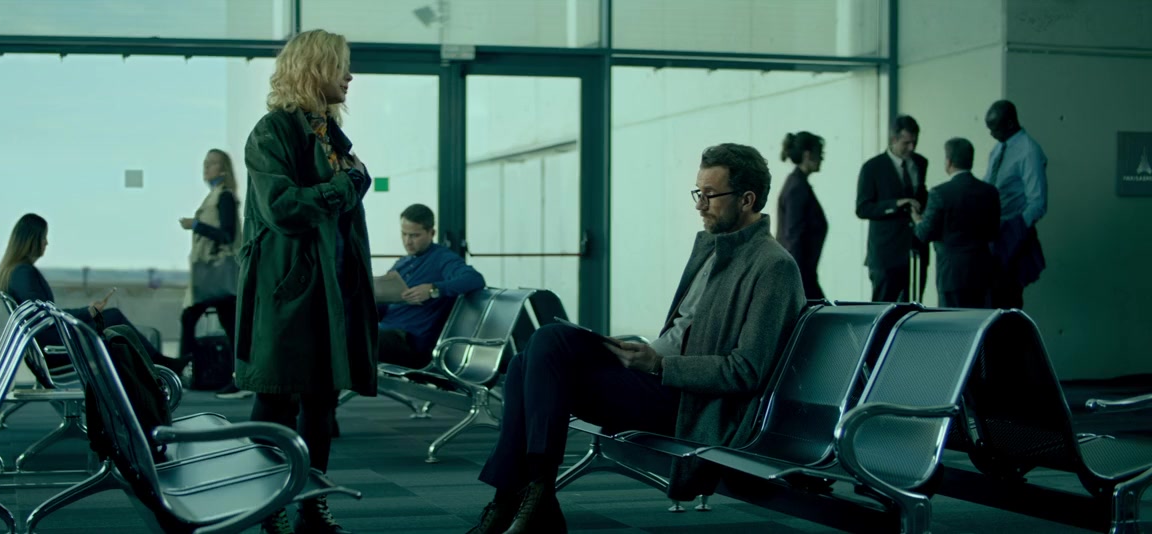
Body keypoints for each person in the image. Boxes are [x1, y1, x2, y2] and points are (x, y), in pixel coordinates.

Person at [467, 143, 806, 534]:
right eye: (698, 193)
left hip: (691, 402)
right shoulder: (713, 250)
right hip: (655, 376)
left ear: (746, 199)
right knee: (532, 355)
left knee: (544, 348)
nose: (700, 205)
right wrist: (640, 354)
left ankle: (526, 495)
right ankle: (529, 494)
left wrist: (659, 364)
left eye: (710, 195)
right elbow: (681, 333)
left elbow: (747, 371)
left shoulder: (773, 267)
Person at [234, 29, 375, 534]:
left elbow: (336, 203)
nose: (349, 76)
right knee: (276, 396)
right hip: (290, 291)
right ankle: (266, 502)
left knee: (321, 402)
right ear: (314, 69)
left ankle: (311, 503)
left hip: (334, 289)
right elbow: (282, 208)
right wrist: (346, 185)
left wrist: (351, 185)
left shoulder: (329, 134)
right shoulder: (272, 132)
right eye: (340, 65)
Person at [0, 213, 185, 373]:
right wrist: (88, 312)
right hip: (55, 348)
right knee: (113, 319)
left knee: (112, 321)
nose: (47, 243)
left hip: (50, 341)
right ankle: (160, 364)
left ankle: (156, 365)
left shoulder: (16, 272)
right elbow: (45, 316)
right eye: (43, 237)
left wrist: (88, 311)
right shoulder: (23, 273)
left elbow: (44, 314)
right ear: (31, 240)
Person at [175, 149, 248, 399]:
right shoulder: (214, 196)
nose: (206, 168)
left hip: (219, 272)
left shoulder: (224, 197)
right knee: (225, 324)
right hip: (214, 274)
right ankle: (231, 377)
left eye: (212, 164)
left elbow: (227, 235)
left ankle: (183, 371)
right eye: (205, 163)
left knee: (197, 318)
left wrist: (196, 225)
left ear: (224, 169)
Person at [377, 204, 486, 369]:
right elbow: (384, 308)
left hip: (407, 340)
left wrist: (433, 289)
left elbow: (475, 279)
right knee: (341, 329)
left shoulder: (443, 259)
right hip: (385, 331)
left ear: (431, 233)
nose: (407, 241)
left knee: (354, 338)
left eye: (414, 235)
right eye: (404, 234)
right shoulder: (402, 263)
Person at [911, 138, 1001, 308]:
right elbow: (993, 232)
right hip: (982, 271)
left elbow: (924, 233)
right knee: (979, 320)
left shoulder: (940, 193)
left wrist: (917, 219)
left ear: (949, 162)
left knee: (951, 321)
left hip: (951, 273)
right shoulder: (990, 192)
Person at [856, 115, 930, 303]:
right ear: (893, 139)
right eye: (906, 143)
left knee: (914, 309)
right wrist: (895, 204)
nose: (912, 148)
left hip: (915, 251)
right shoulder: (872, 167)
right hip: (885, 255)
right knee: (882, 308)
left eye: (915, 142)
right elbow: (863, 208)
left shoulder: (921, 163)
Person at [983, 100, 1047, 309]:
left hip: (1012, 236)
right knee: (991, 301)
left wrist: (1014, 231)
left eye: (995, 128)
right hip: (993, 234)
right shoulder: (998, 148)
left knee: (1008, 301)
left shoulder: (1029, 151)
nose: (991, 134)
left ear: (1010, 124)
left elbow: (1037, 203)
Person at [776, 131, 828, 300]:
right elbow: (793, 236)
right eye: (820, 153)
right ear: (807, 155)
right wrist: (795, 281)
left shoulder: (797, 184)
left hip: (803, 273)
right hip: (800, 275)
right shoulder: (797, 188)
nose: (822, 158)